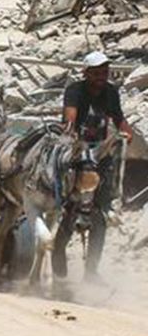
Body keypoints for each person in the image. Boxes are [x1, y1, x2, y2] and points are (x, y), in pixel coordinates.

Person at [56, 51, 134, 281]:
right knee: (71, 207)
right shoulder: (75, 90)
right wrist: (71, 132)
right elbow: (70, 118)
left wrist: (127, 132)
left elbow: (118, 118)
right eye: (97, 73)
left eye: (105, 72)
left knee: (100, 214)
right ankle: (58, 259)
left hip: (99, 152)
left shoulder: (111, 92)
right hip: (77, 150)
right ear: (86, 73)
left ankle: (91, 271)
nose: (102, 76)